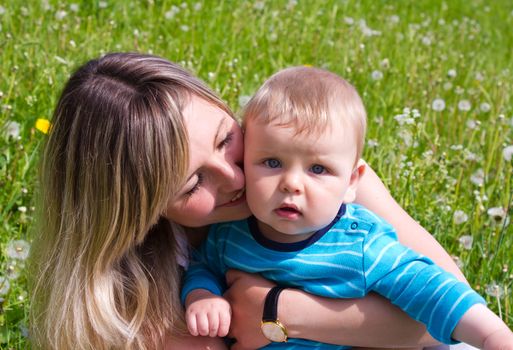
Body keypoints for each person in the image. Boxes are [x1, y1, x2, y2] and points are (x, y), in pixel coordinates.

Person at [28, 52, 475, 350]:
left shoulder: (315, 174)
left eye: (225, 139)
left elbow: (445, 306)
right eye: (192, 184)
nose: (236, 176)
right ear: (138, 216)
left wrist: (279, 311)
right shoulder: (137, 300)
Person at [181, 66, 513, 349]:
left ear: (352, 182)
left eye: (317, 169)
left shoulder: (361, 244)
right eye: (272, 162)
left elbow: (433, 290)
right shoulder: (230, 236)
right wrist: (202, 295)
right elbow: (204, 266)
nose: (292, 183)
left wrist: (494, 336)